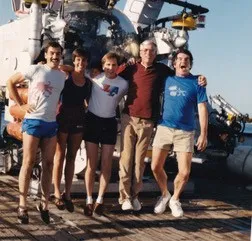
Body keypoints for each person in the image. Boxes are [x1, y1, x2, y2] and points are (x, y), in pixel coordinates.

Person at [117, 40, 206, 211]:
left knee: (139, 162)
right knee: (126, 159)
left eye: (151, 50)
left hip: (148, 121)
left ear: (156, 53)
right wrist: (125, 62)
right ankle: (125, 197)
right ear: (140, 52)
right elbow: (114, 74)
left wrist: (201, 78)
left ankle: (135, 196)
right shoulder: (132, 67)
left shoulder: (162, 71)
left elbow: (183, 75)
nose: (148, 53)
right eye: (144, 50)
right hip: (129, 118)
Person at [7, 41, 66, 224]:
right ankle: (22, 204)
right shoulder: (35, 70)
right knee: (28, 162)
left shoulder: (62, 75)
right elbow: (10, 82)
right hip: (33, 122)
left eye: (58, 54)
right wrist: (21, 105)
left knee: (48, 164)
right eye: (52, 53)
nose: (55, 56)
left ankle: (44, 203)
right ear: (46, 54)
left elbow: (70, 68)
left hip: (51, 124)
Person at [151, 49, 208, 217]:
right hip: (164, 128)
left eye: (187, 60)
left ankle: (175, 199)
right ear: (174, 63)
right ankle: (164, 194)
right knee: (155, 166)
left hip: (186, 131)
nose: (183, 62)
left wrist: (203, 133)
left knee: (184, 172)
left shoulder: (197, 83)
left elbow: (202, 108)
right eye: (180, 59)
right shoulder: (166, 79)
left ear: (190, 64)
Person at [84, 52, 128, 217]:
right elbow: (73, 70)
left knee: (107, 165)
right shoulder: (94, 78)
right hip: (92, 121)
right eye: (108, 65)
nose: (111, 68)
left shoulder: (123, 84)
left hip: (109, 123)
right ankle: (89, 199)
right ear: (103, 65)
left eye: (114, 65)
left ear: (118, 66)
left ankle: (100, 199)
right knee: (91, 164)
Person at [52, 48, 92, 212]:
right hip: (63, 118)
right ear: (73, 61)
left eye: (83, 61)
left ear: (87, 63)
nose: (80, 63)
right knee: (59, 155)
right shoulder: (66, 77)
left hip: (78, 120)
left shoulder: (88, 82)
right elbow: (59, 68)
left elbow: (87, 102)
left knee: (72, 157)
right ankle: (56, 193)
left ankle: (67, 193)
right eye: (77, 60)